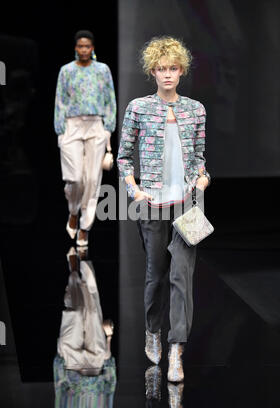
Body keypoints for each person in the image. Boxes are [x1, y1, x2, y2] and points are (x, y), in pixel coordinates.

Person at [117, 36, 211, 382]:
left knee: (181, 276)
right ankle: (152, 330)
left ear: (181, 70)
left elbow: (199, 158)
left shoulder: (196, 109)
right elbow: (124, 157)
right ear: (152, 71)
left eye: (173, 68)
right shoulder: (138, 108)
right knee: (156, 275)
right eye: (161, 68)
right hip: (152, 203)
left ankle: (176, 351)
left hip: (187, 204)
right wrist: (134, 191)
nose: (167, 74)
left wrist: (202, 179)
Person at [54, 30, 116, 246]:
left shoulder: (102, 70)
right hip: (72, 125)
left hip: (96, 125)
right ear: (75, 48)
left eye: (87, 46)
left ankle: (85, 227)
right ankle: (73, 210)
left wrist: (108, 127)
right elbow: (60, 100)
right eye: (80, 46)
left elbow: (110, 99)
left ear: (92, 48)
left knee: (92, 180)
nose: (83, 50)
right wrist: (60, 130)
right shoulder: (66, 71)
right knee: (75, 178)